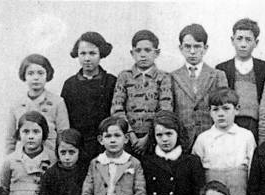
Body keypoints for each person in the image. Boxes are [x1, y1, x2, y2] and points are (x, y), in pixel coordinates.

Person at [192, 88, 256, 195]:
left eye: (226, 109)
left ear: (237, 109)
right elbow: (196, 173)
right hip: (213, 194)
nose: (221, 114)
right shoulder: (203, 139)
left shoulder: (246, 136)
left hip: (239, 191)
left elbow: (253, 169)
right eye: (216, 110)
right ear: (210, 112)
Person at [81, 116, 146, 195]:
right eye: (108, 136)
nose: (112, 140)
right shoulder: (95, 163)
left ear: (126, 138)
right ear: (101, 140)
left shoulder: (134, 163)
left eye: (117, 136)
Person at [111, 29, 173, 157]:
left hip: (155, 138)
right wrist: (131, 135)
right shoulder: (124, 77)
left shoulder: (164, 77)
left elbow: (165, 110)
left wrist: (148, 137)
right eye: (138, 51)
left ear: (157, 53)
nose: (143, 55)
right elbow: (117, 109)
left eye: (148, 50)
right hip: (128, 139)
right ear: (132, 53)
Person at [61, 31, 118, 165]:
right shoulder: (70, 84)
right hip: (79, 147)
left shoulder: (111, 82)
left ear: (100, 55)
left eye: (92, 53)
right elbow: (65, 118)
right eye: (83, 53)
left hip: (106, 145)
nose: (87, 58)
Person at [215, 17, 265, 141]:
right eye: (239, 39)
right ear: (232, 40)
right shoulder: (222, 68)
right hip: (231, 123)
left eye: (248, 40)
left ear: (256, 43)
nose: (243, 44)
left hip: (256, 125)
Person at [171, 23, 229, 146]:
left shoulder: (218, 75)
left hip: (212, 139)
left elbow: (224, 108)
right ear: (180, 48)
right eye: (187, 46)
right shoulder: (172, 77)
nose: (192, 52)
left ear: (205, 48)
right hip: (183, 140)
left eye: (197, 46)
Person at [5, 53, 69, 159]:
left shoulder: (57, 102)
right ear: (24, 76)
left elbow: (64, 134)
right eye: (30, 73)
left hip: (49, 160)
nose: (36, 78)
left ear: (47, 75)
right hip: (22, 160)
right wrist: (10, 161)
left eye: (40, 73)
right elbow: (10, 138)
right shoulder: (16, 105)